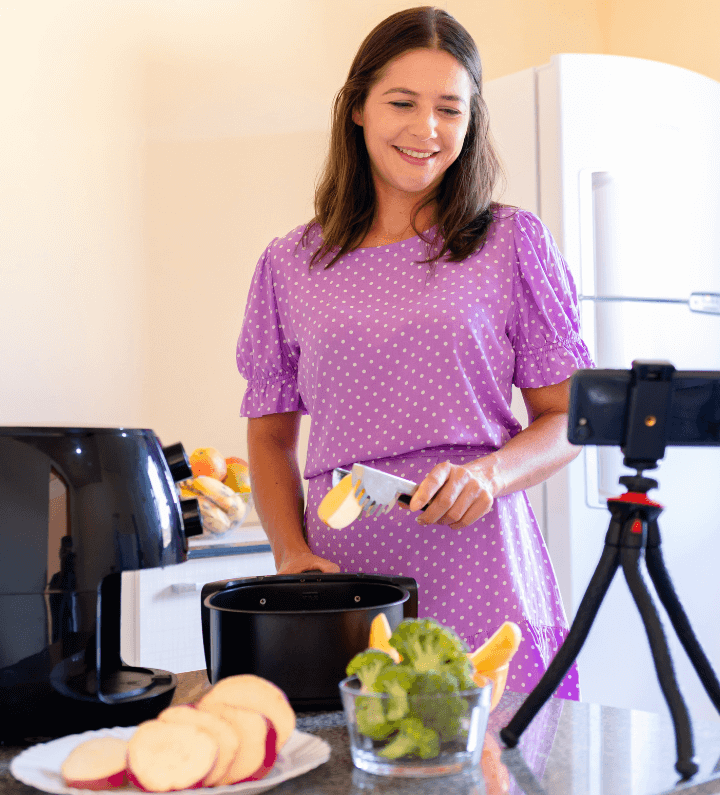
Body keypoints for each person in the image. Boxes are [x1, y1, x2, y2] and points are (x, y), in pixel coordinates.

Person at [235, 6, 593, 698]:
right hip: (346, 579)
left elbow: (570, 417)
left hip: (481, 561)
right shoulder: (288, 265)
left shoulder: (511, 244)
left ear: (471, 121)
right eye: (402, 103)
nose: (426, 129)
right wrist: (291, 553)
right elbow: (271, 437)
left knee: (488, 768)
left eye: (449, 110)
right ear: (358, 110)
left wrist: (489, 476)